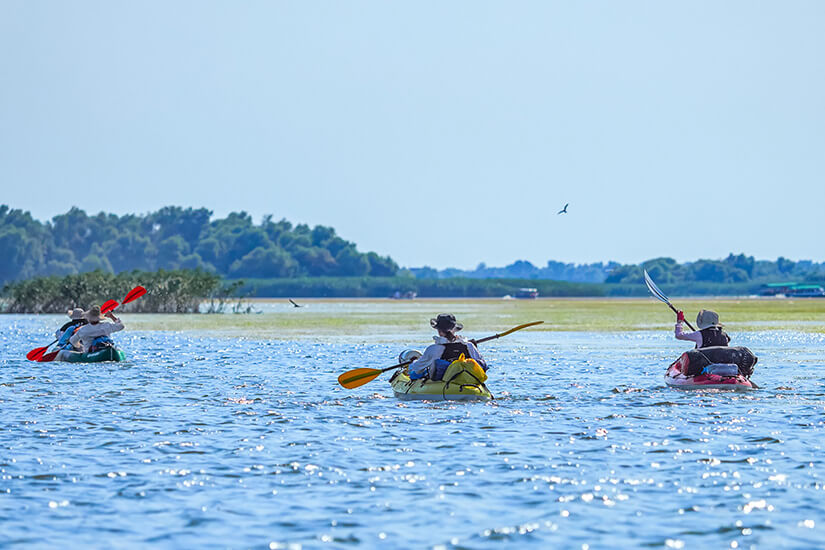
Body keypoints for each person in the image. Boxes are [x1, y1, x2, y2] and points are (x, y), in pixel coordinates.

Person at [408, 314, 487, 380]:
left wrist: (413, 362)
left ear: (439, 330)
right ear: (455, 329)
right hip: (467, 380)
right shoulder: (469, 345)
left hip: (443, 383)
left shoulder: (434, 349)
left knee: (418, 373)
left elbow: (417, 368)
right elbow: (483, 365)